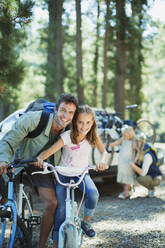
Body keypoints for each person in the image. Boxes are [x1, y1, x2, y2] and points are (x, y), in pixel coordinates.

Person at [0, 93, 78, 248]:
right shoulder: (34, 119)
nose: (65, 116)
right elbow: (9, 140)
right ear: (55, 110)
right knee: (3, 197)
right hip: (19, 161)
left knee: (52, 203)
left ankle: (42, 245)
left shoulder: (70, 129)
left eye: (70, 113)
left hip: (42, 167)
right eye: (63, 110)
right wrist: (3, 159)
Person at [35, 105, 108, 248]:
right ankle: (56, 241)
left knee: (93, 194)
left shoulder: (92, 136)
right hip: (63, 174)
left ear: (92, 122)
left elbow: (104, 152)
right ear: (75, 122)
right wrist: (40, 158)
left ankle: (86, 221)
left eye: (88, 122)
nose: (84, 126)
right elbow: (51, 150)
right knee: (61, 209)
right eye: (80, 122)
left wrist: (102, 161)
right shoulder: (67, 136)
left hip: (81, 173)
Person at [109, 125, 136, 199]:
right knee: (122, 176)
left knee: (127, 175)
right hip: (122, 160)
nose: (124, 135)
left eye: (125, 133)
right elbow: (116, 143)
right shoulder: (123, 138)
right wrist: (107, 145)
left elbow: (134, 152)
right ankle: (128, 190)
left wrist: (133, 161)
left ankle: (125, 193)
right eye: (124, 133)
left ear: (130, 133)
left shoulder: (133, 141)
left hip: (128, 160)